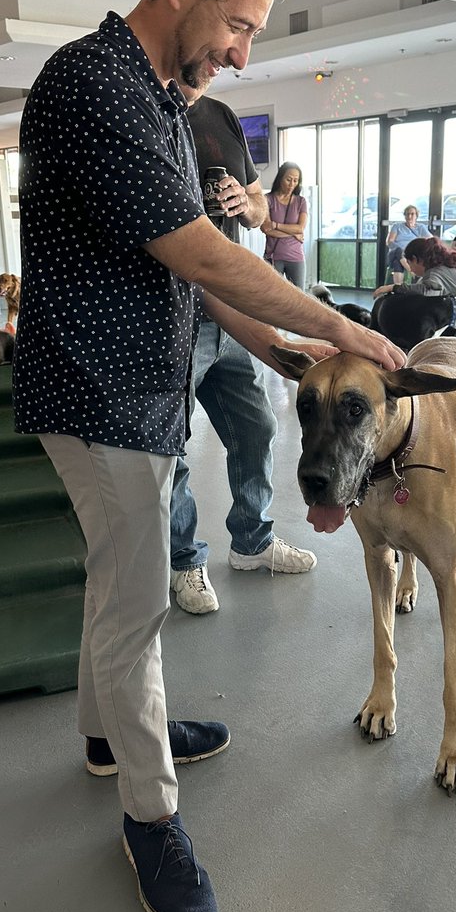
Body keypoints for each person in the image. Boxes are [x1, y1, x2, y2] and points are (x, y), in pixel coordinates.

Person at [12, 0, 406, 912]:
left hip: (136, 384)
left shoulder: (160, 101)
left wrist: (298, 351)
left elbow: (189, 276)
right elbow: (198, 251)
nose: (241, 52)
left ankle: (109, 741)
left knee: (117, 584)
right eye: (240, 25)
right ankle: (150, 818)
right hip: (97, 392)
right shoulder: (94, 85)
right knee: (137, 608)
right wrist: (339, 323)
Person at [169, 86, 316, 616]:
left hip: (226, 313)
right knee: (173, 445)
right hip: (169, 317)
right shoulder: (146, 112)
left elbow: (258, 208)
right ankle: (184, 560)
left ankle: (252, 542)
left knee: (257, 427)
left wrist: (245, 202)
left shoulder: (220, 116)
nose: (233, 57)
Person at [373, 236, 456, 353]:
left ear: (416, 259)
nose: (410, 269)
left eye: (409, 263)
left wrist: (394, 287)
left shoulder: (434, 273)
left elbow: (427, 291)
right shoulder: (451, 264)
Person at [261, 162, 307, 287]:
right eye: (288, 179)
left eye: (295, 180)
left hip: (295, 257)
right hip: (273, 257)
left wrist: (275, 225)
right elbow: (265, 228)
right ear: (280, 178)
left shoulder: (301, 201)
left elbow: (300, 228)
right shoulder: (267, 199)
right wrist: (293, 233)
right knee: (272, 296)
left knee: (299, 298)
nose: (292, 184)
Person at [386, 204, 430, 271]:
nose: (409, 216)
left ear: (416, 216)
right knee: (399, 251)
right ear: (405, 216)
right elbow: (390, 242)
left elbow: (431, 240)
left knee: (397, 263)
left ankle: (399, 282)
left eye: (412, 214)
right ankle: (413, 272)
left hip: (411, 255)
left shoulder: (421, 227)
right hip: (396, 252)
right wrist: (403, 250)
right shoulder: (397, 226)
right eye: (407, 214)